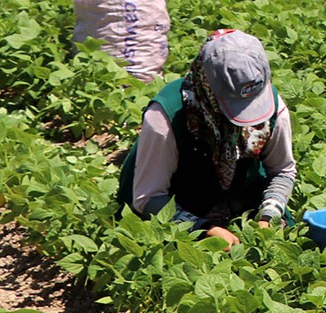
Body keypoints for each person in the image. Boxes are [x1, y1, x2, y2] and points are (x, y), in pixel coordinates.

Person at [119, 29, 294, 249]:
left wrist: (268, 216)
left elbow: (282, 170)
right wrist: (202, 229)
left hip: (242, 196)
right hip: (180, 201)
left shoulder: (274, 106)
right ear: (207, 85)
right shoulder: (167, 116)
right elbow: (149, 197)